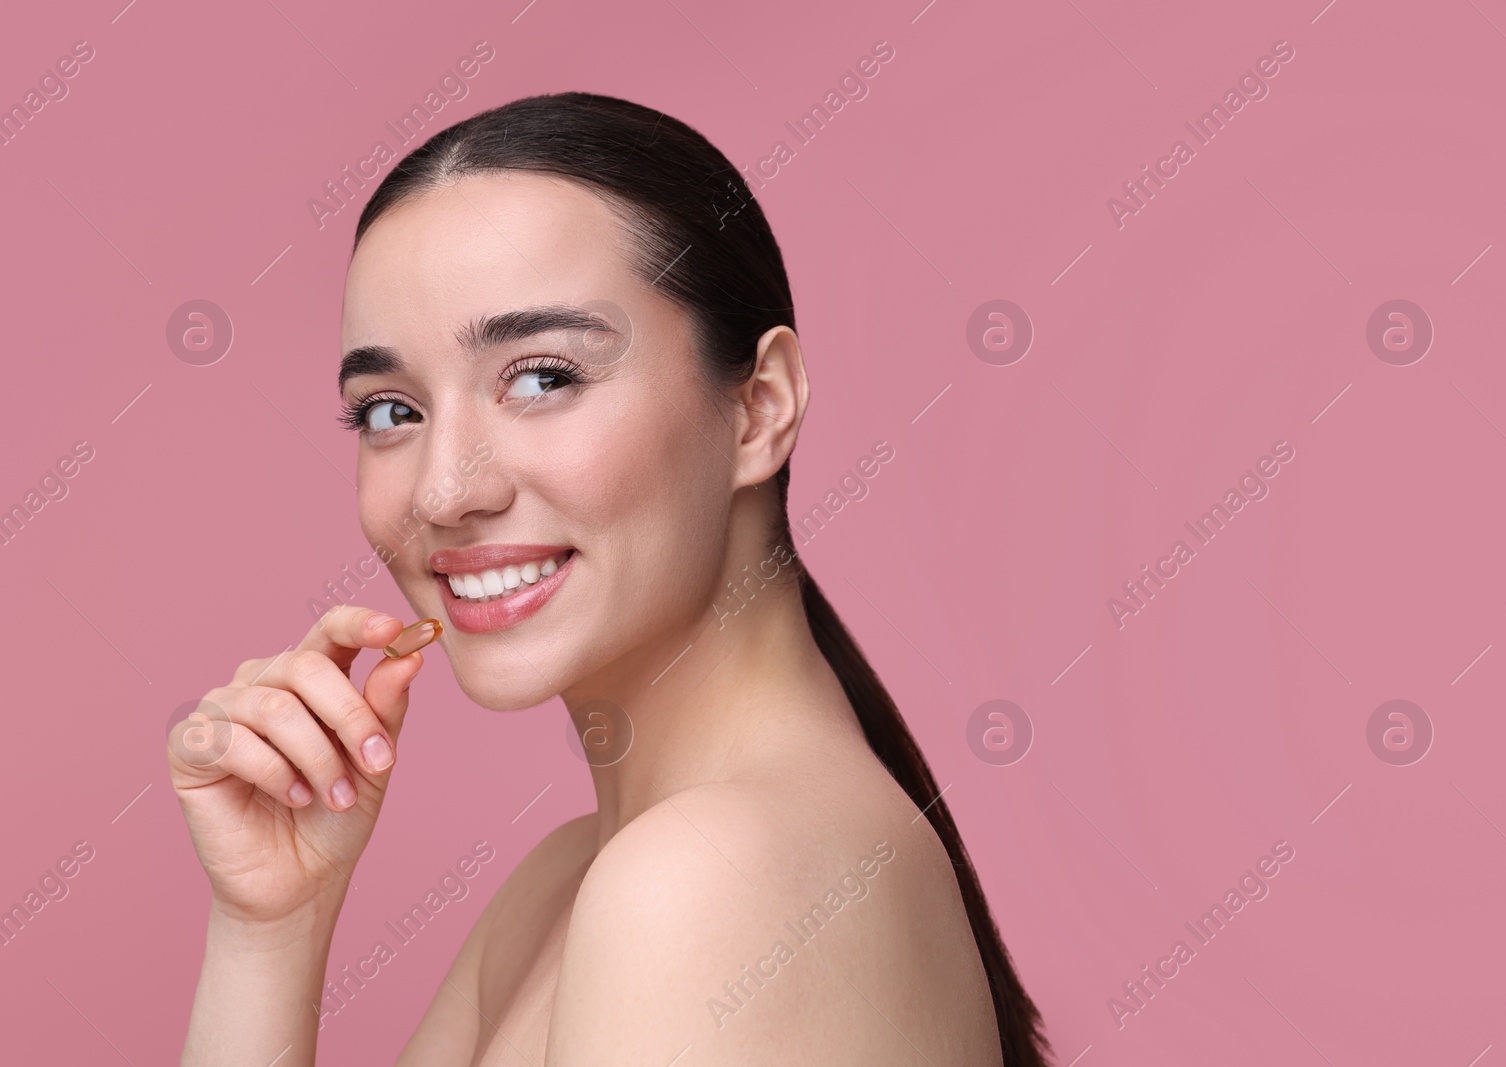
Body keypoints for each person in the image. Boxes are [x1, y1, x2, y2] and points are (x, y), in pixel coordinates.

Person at [168, 91, 1051, 1066]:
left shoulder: (701, 883)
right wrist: (269, 925)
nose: (445, 490)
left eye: (543, 376)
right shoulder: (566, 885)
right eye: (389, 410)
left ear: (758, 408)